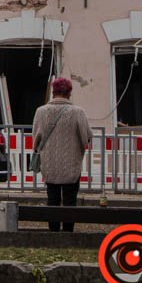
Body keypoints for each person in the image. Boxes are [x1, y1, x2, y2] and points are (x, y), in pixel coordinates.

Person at [32, 77, 92, 232]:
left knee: (52, 198)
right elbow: (86, 138)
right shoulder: (78, 112)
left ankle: (53, 232)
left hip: (49, 163)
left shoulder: (41, 111)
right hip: (71, 164)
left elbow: (35, 140)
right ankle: (67, 232)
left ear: (53, 92)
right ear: (69, 93)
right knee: (70, 200)